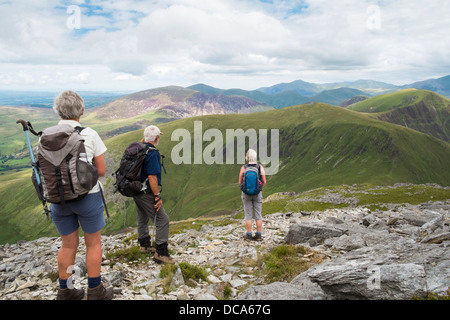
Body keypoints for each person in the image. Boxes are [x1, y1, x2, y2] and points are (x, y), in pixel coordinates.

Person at [51, 90, 113, 300]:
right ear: (82, 110)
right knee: (93, 243)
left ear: (58, 110)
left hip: (58, 197)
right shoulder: (89, 134)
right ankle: (95, 290)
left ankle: (65, 289)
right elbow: (101, 171)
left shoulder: (46, 135)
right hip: (88, 196)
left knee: (67, 244)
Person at [132, 125, 176, 264]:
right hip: (146, 192)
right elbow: (152, 177)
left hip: (135, 190)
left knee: (142, 217)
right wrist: (157, 196)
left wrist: (147, 137)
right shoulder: (152, 153)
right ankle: (161, 253)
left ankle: (144, 245)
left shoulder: (139, 148)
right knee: (163, 220)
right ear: (157, 138)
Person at [239, 149, 266, 241]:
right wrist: (258, 188)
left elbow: (240, 182)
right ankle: (258, 235)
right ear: (255, 156)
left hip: (246, 194)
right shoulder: (259, 167)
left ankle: (249, 234)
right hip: (257, 193)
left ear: (247, 157)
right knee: (258, 215)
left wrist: (245, 189)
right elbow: (264, 181)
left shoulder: (244, 168)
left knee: (248, 215)